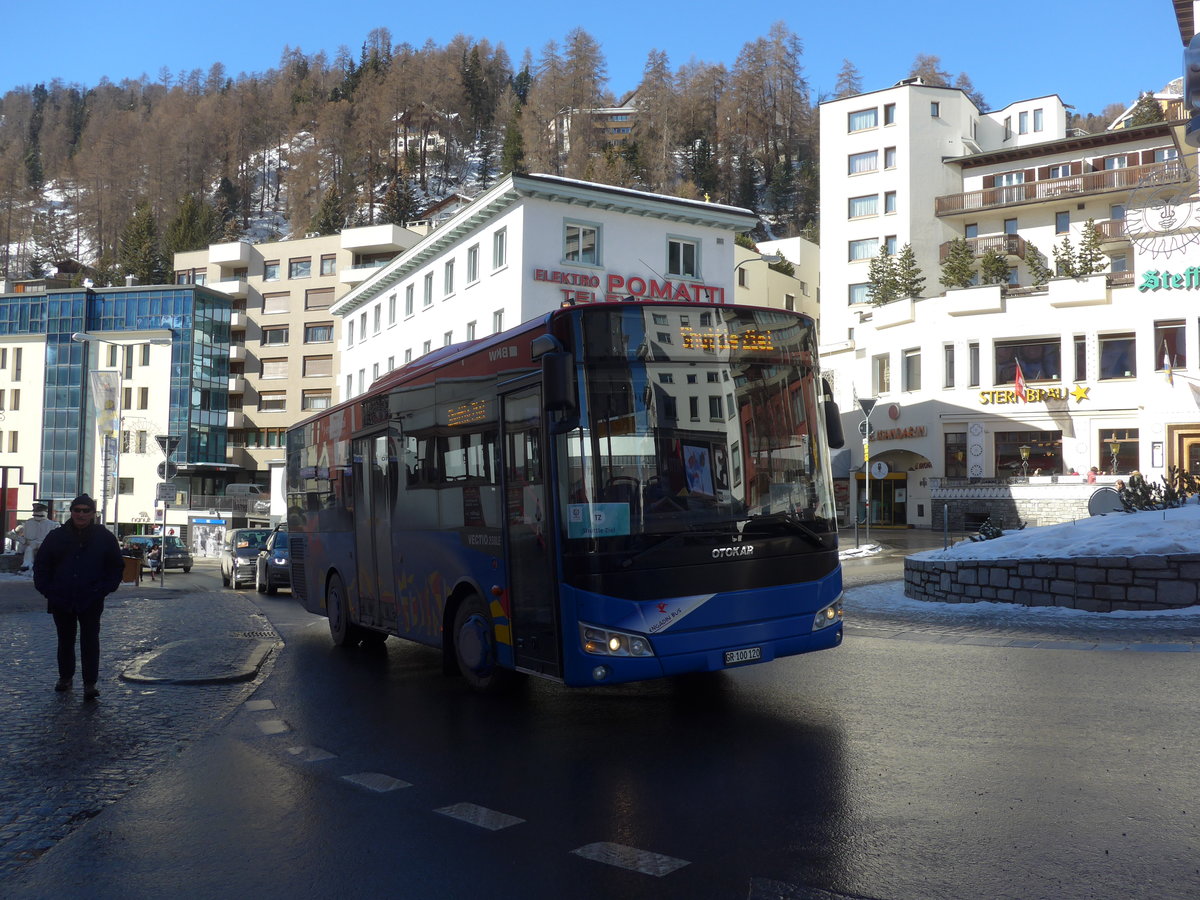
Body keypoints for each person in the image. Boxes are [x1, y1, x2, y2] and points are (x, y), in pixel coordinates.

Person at [33, 494, 124, 700]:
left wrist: (104, 589)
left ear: (93, 513)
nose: (81, 514)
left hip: (91, 598)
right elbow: (42, 565)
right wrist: (48, 589)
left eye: (86, 510)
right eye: (77, 510)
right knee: (65, 640)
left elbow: (116, 566)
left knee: (90, 641)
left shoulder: (104, 537)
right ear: (71, 512)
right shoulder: (56, 536)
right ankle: (65, 677)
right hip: (61, 597)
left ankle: (89, 683)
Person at [8, 502, 56, 573]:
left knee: (43, 551)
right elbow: (26, 537)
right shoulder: (29, 523)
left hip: (46, 544)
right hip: (31, 543)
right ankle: (26, 565)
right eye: (36, 512)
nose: (37, 515)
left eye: (38, 512)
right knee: (29, 549)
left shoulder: (52, 524)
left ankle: (45, 566)